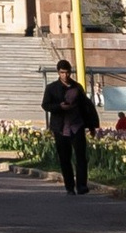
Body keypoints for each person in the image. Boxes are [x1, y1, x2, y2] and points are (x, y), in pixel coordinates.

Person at [40, 57, 99, 195]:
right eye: (62, 73)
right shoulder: (52, 88)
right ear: (58, 72)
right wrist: (59, 107)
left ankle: (82, 185)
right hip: (60, 128)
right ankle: (69, 186)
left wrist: (91, 126)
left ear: (70, 73)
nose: (65, 75)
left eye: (67, 72)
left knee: (81, 157)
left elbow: (86, 107)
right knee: (65, 158)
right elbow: (45, 105)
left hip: (77, 126)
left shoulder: (77, 87)